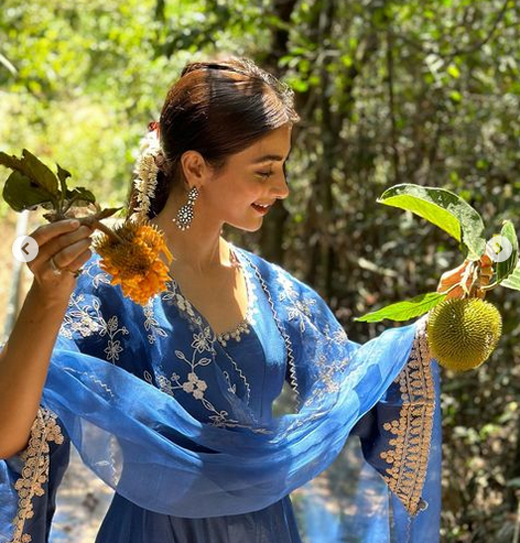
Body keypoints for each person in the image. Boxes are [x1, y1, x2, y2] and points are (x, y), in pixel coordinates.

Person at [0, 56, 465, 543]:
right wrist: (47, 296)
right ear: (197, 167)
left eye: (283, 167)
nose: (282, 188)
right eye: (265, 171)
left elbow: (359, 397)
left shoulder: (273, 290)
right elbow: (11, 435)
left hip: (269, 530)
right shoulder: (108, 284)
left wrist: (437, 320)